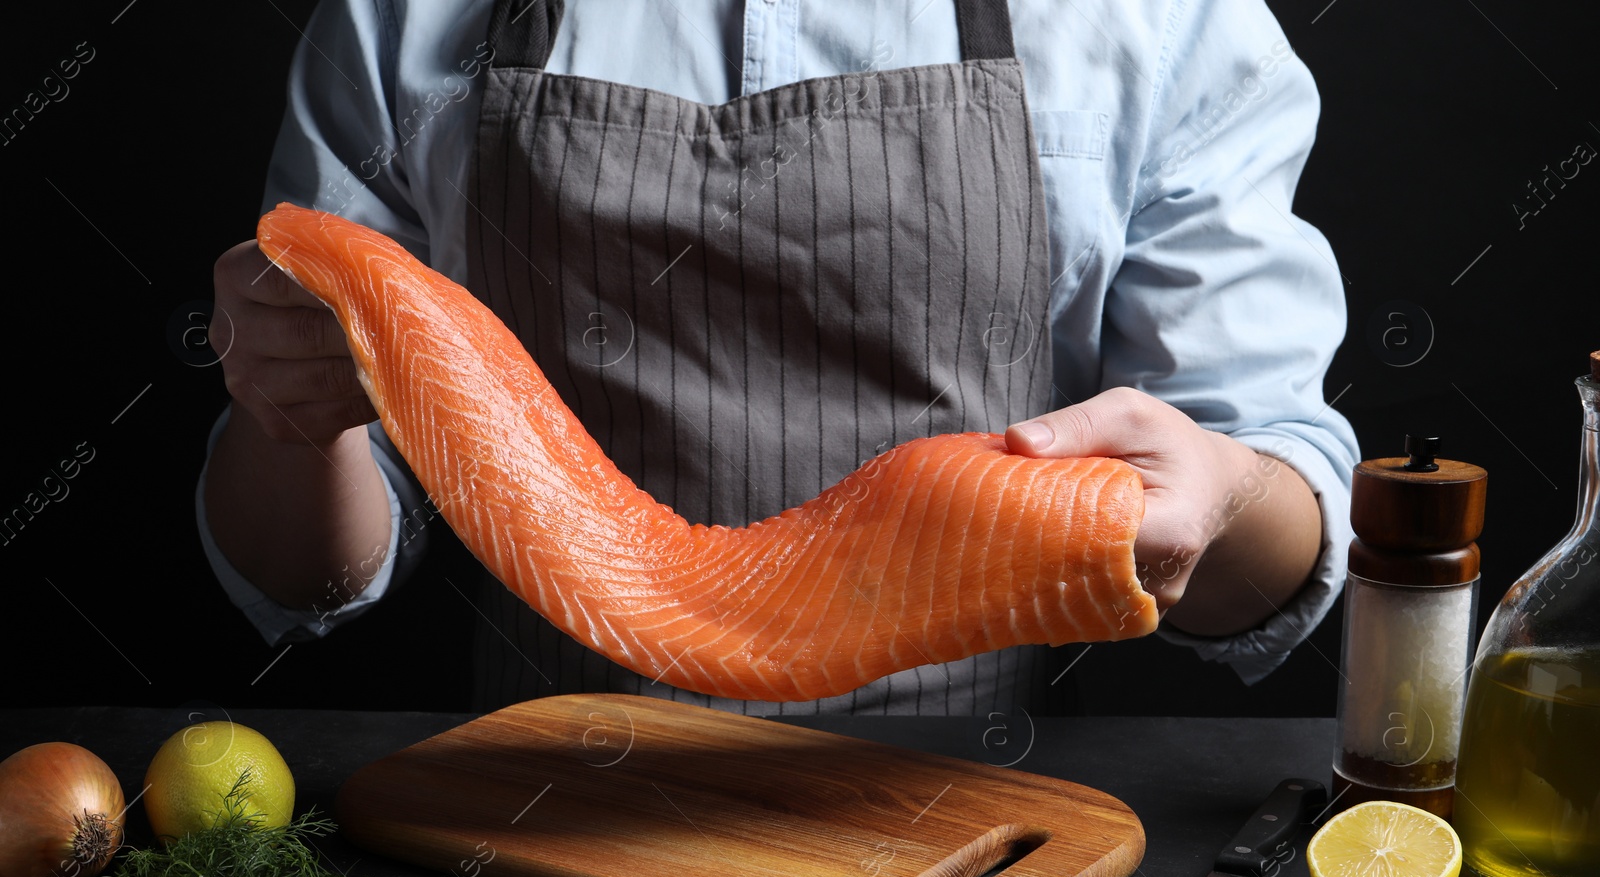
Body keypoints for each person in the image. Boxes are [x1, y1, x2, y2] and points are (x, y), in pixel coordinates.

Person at [199, 0, 1358, 715]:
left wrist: (1223, 491)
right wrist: (288, 415)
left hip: (965, 822)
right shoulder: (407, 12)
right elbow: (312, 577)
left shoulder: (1161, 16)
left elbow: (1272, 532)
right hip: (544, 826)